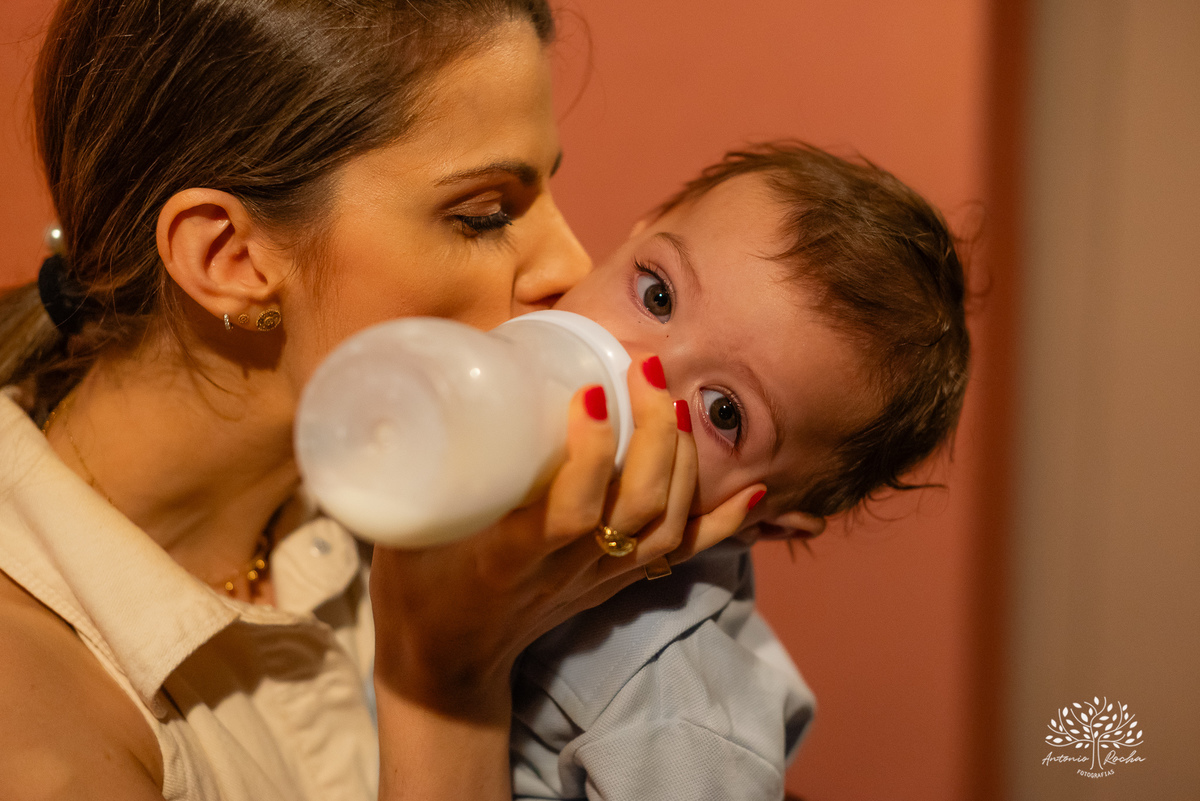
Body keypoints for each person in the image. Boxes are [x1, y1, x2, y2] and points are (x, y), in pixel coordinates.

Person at [0, 2, 764, 799]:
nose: (571, 266)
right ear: (228, 255)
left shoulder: (427, 482)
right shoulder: (40, 734)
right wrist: (444, 681)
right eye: (484, 215)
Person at [509, 142, 970, 799]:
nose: (642, 369)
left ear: (769, 516)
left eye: (723, 412)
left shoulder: (674, 708)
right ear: (638, 233)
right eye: (657, 293)